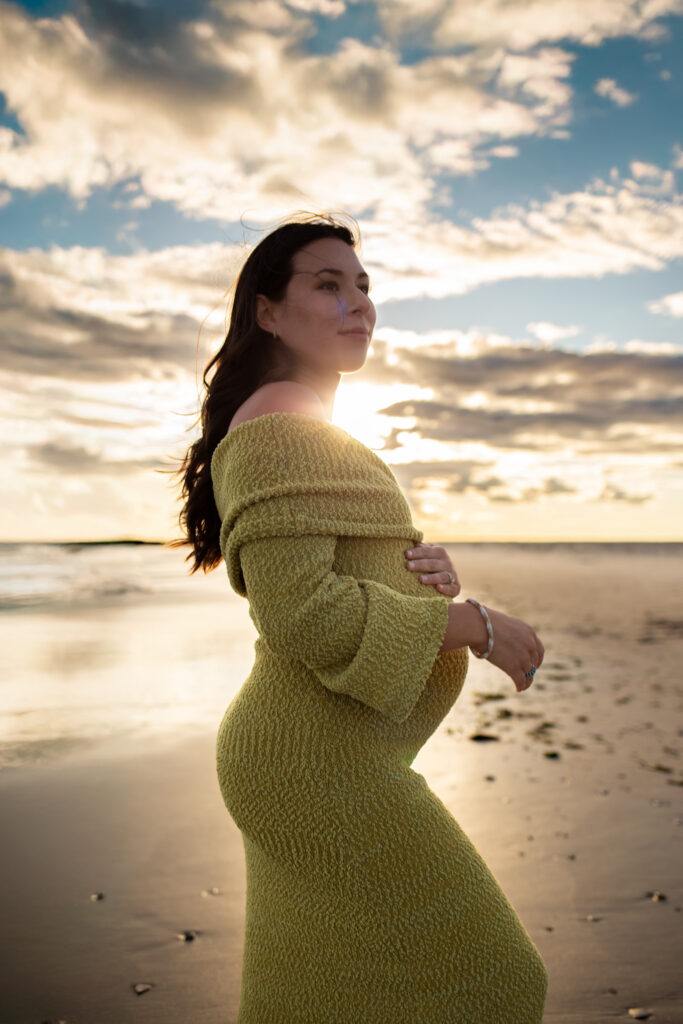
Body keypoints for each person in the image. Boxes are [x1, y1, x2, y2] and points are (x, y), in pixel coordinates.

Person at [171, 214, 548, 1023]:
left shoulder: (300, 421)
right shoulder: (278, 417)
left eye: (364, 286)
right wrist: (471, 624)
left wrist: (422, 576)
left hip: (322, 759)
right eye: (328, 284)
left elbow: (331, 572)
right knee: (495, 986)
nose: (358, 304)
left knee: (314, 996)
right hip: (314, 768)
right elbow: (305, 614)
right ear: (268, 312)